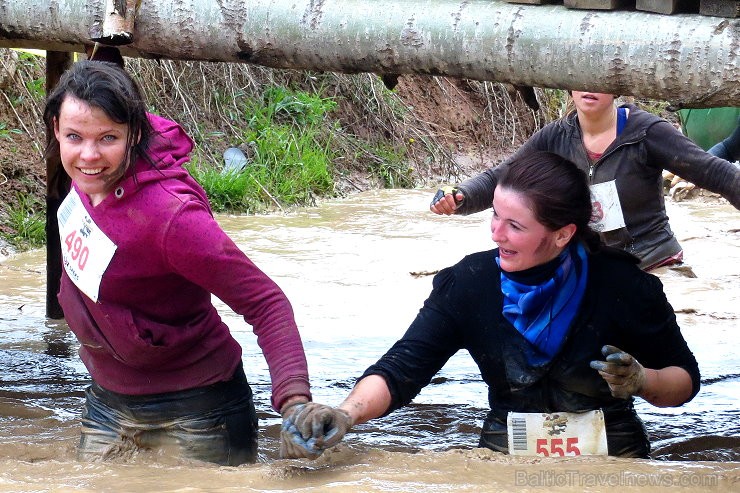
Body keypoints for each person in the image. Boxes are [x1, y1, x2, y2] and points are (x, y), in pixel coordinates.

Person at [279, 151, 700, 459]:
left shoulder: (624, 284)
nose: (496, 234)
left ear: (563, 233)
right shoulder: (470, 283)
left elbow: (684, 383)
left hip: (615, 460)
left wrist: (642, 381)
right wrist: (345, 414)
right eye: (494, 216)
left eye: (514, 225)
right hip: (504, 460)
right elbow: (402, 369)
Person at [43, 59, 332, 465]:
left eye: (107, 138)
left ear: (134, 135)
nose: (88, 156)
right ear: (56, 129)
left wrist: (294, 401)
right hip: (108, 401)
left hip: (199, 410)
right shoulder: (82, 174)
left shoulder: (172, 218)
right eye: (74, 136)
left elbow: (266, 302)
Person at [430, 92, 740, 271]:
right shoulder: (556, 136)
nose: (588, 87)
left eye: (598, 78)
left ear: (616, 84)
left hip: (653, 262)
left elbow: (714, 172)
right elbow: (503, 176)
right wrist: (460, 197)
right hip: (594, 266)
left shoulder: (647, 132)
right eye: (580, 78)